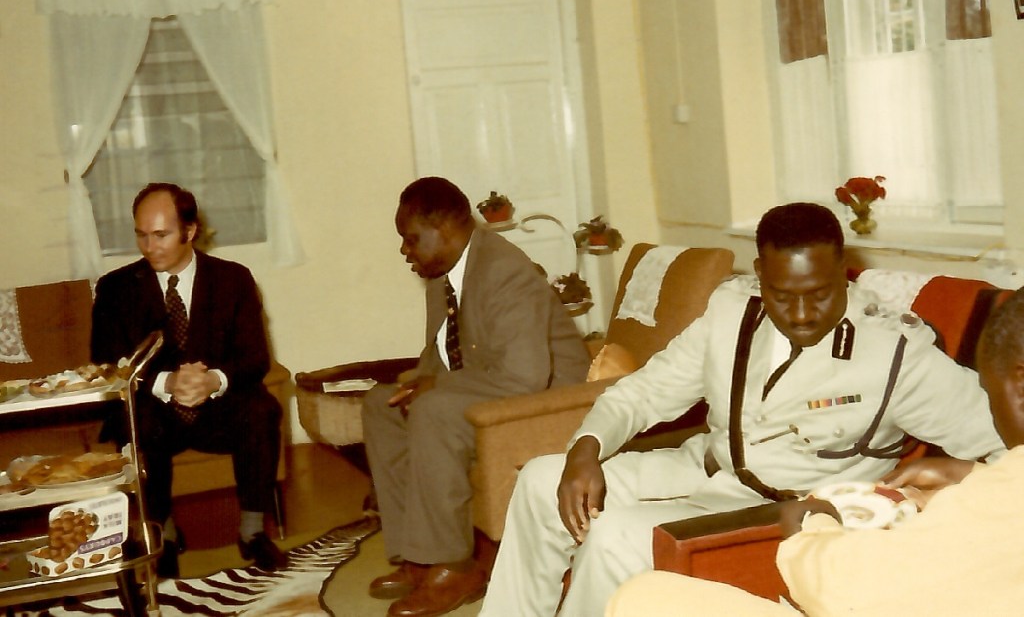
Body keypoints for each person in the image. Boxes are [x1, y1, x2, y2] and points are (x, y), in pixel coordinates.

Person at [480, 202, 1005, 616]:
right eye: (781, 295)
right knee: (541, 481)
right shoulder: (731, 310)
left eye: (820, 294)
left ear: (844, 272)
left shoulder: (896, 354)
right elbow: (647, 390)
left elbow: (1005, 439)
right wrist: (585, 449)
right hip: (703, 471)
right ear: (759, 274)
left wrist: (959, 471)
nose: (801, 314)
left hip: (782, 513)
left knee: (618, 536)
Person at [606, 285, 1024, 616]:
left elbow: (840, 591)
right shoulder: (731, 311)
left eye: (989, 388)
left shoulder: (896, 351)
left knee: (643, 597)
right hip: (715, 473)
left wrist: (813, 529)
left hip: (809, 534)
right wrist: (973, 473)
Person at [362, 177, 591, 617]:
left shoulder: (505, 271)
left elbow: (526, 377)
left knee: (433, 410)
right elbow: (444, 354)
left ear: (446, 229)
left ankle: (452, 566)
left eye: (411, 240)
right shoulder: (443, 273)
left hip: (549, 404)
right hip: (494, 390)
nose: (404, 251)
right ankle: (417, 556)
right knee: (381, 405)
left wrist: (437, 388)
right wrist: (418, 380)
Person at [91, 182, 286, 577]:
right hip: (155, 412)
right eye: (141, 235)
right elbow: (105, 364)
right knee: (136, 422)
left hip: (218, 409)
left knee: (262, 410)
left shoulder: (234, 280)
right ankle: (164, 534)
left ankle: (252, 531)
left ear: (190, 231)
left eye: (161, 235)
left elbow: (255, 358)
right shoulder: (115, 289)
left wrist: (214, 380)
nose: (149, 247)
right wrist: (165, 383)